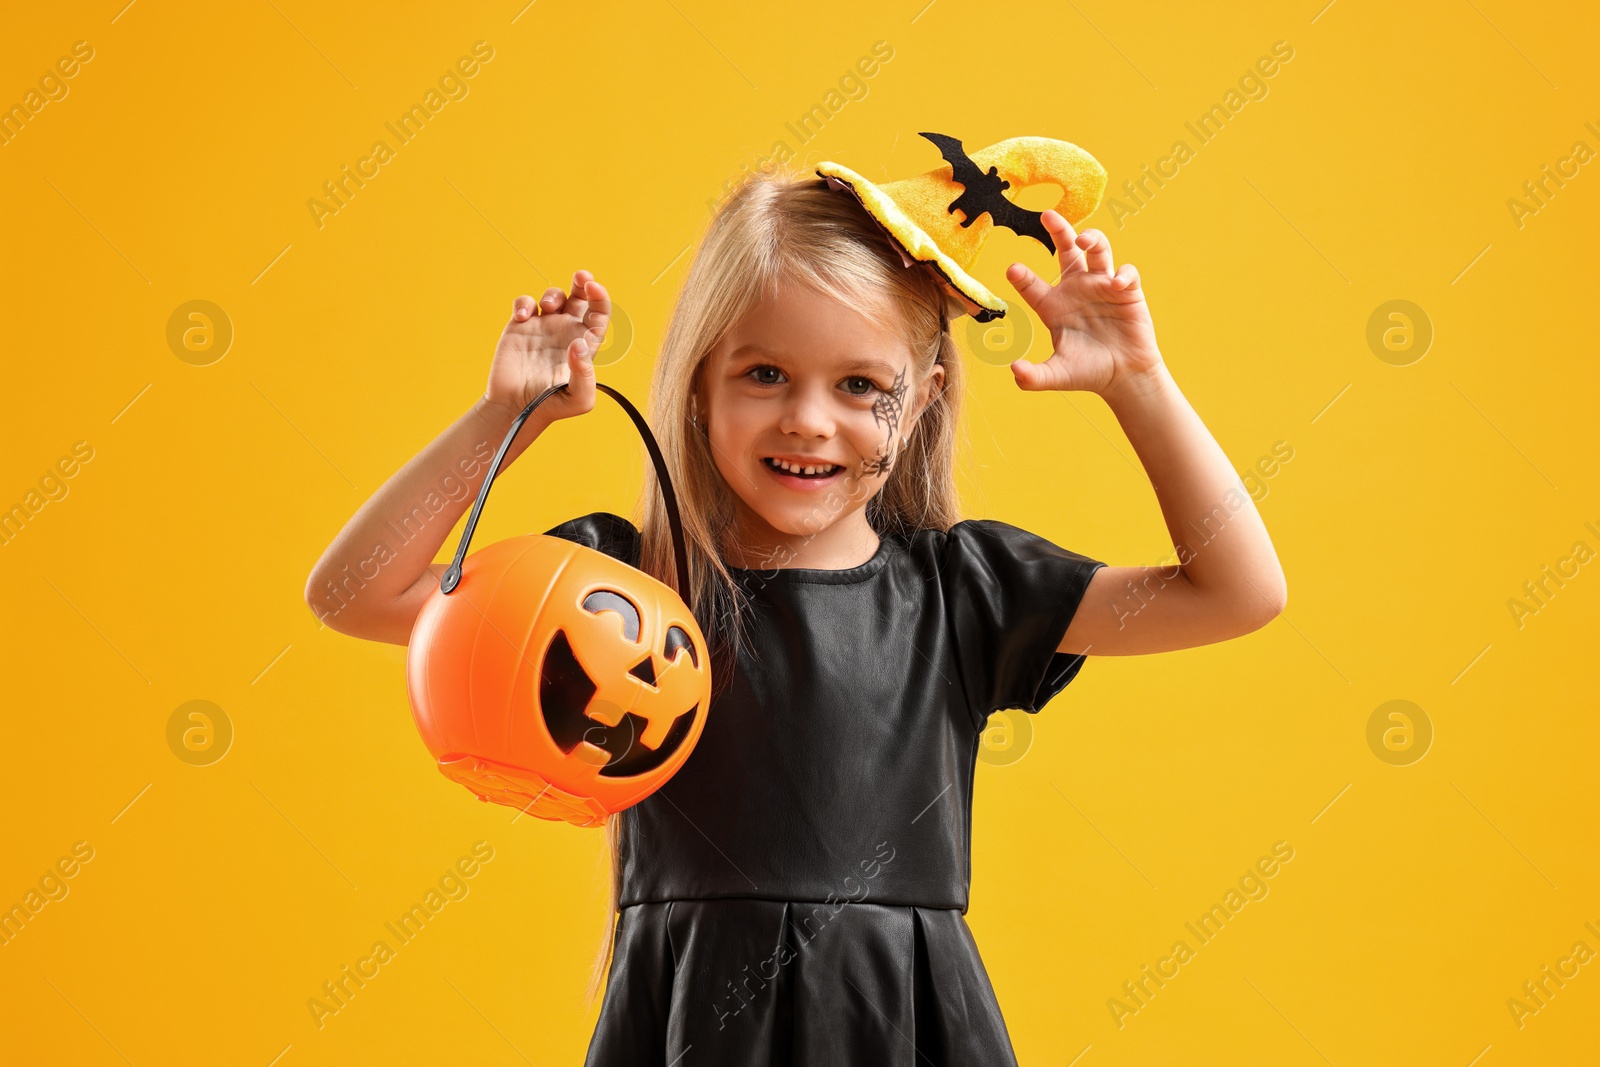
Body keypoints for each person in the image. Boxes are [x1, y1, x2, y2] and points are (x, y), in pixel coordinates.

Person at [305, 156, 1286, 1064]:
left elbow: (1237, 590)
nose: (808, 419)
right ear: (697, 385)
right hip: (688, 1016)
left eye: (860, 385)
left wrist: (1138, 384)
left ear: (925, 397)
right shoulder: (622, 585)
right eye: (764, 373)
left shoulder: (964, 592)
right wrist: (505, 415)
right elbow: (357, 593)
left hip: (903, 1019)